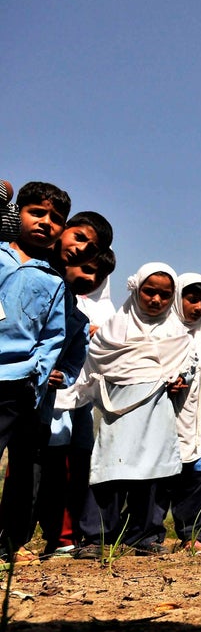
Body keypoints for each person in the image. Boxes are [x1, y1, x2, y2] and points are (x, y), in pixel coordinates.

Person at [71, 262, 193, 558]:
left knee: (152, 471)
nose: (156, 300)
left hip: (156, 410)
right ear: (136, 290)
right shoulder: (114, 328)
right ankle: (95, 537)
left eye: (165, 295)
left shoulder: (177, 334)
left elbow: (187, 367)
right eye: (149, 292)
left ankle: (146, 536)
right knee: (109, 470)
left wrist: (180, 380)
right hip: (119, 409)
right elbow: (95, 362)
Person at [0, 181, 70, 562]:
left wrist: (37, 375)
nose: (46, 223)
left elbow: (53, 335)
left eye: (55, 219)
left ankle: (12, 542)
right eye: (37, 213)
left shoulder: (54, 280)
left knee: (24, 469)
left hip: (23, 384)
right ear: (19, 213)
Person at [39, 248, 116, 557]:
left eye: (99, 273)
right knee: (48, 465)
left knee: (79, 465)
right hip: (52, 394)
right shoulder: (59, 297)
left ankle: (73, 535)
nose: (91, 278)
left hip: (84, 398)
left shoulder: (111, 314)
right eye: (85, 267)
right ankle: (55, 535)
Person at [155, 274, 201, 551]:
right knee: (158, 483)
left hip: (195, 426)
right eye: (191, 299)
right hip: (162, 421)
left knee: (193, 483)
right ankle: (147, 535)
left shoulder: (200, 344)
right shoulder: (160, 335)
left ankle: (192, 537)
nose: (198, 307)